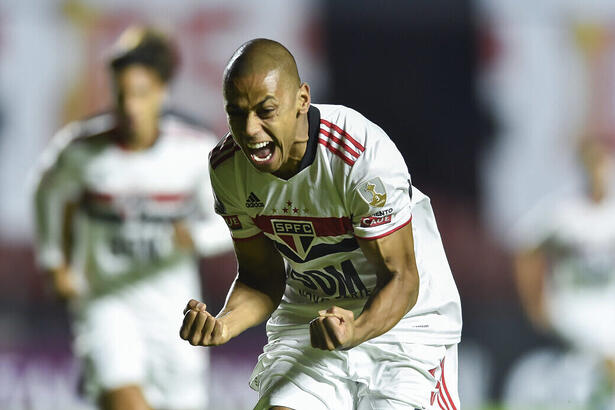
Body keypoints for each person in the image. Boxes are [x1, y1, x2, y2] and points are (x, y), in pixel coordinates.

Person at [179, 38, 462, 410]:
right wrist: (224, 324)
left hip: (405, 329)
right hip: (312, 320)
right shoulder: (228, 168)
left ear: (302, 99)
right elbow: (261, 278)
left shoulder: (361, 158)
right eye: (236, 112)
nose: (249, 129)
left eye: (265, 110)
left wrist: (355, 330)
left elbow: (402, 279)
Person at [32, 26, 232, 410]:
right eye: (121, 95)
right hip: (107, 303)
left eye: (140, 94)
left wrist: (197, 237)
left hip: (174, 312)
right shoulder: (82, 149)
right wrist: (54, 262)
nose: (130, 107)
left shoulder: (194, 151)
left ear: (162, 93)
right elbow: (46, 192)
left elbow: (234, 221)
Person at [507, 137, 615, 409]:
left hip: (608, 304)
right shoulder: (566, 213)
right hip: (575, 305)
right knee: (607, 352)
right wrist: (536, 304)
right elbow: (525, 250)